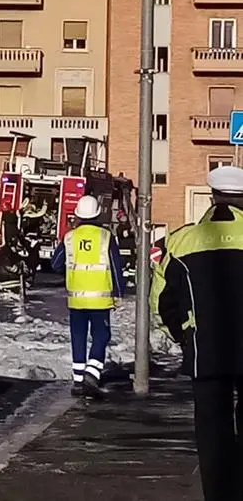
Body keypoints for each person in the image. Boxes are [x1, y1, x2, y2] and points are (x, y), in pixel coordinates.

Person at [156, 165, 243, 501]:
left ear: (212, 197)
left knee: (211, 430)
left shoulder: (182, 240)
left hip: (205, 353)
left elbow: (162, 301)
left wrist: (185, 337)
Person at [50, 195, 123, 398]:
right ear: (98, 214)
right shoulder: (106, 237)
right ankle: (92, 373)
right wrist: (119, 291)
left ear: (78, 215)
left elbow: (55, 263)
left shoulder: (70, 237)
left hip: (76, 298)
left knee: (78, 337)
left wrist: (72, 273)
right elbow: (117, 267)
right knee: (101, 336)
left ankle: (79, 380)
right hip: (100, 298)